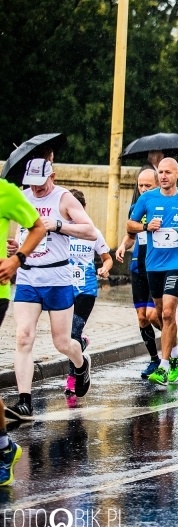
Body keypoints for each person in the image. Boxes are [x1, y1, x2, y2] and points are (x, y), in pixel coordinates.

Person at [5, 159, 96, 420]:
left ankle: (81, 363)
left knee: (62, 342)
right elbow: (23, 234)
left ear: (52, 177)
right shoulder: (22, 197)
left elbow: (91, 231)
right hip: (28, 277)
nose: (36, 189)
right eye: (31, 184)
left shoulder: (64, 198)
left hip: (57, 278)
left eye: (41, 184)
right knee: (23, 336)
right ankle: (25, 402)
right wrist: (16, 248)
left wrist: (58, 225)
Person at [127, 157, 178, 387]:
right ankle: (177, 352)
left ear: (177, 174)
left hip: (176, 264)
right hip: (153, 265)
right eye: (160, 172)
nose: (163, 176)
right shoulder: (147, 198)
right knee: (160, 315)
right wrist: (145, 226)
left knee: (169, 313)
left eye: (168, 172)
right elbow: (130, 225)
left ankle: (164, 365)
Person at [0, 176, 46, 483]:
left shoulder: (4, 191)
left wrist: (16, 260)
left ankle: (3, 448)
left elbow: (37, 227)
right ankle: (4, 446)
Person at [115, 167, 163, 378]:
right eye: (140, 185)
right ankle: (154, 360)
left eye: (148, 186)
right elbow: (131, 234)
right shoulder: (136, 208)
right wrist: (122, 246)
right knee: (142, 317)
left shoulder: (163, 206)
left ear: (158, 185)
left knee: (154, 315)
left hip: (157, 266)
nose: (143, 189)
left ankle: (172, 341)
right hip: (138, 266)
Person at [65, 189, 113, 395]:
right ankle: (82, 344)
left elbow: (107, 258)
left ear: (83, 209)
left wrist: (104, 269)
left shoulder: (93, 232)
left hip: (86, 289)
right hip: (64, 288)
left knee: (73, 332)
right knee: (66, 336)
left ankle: (73, 377)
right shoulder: (61, 231)